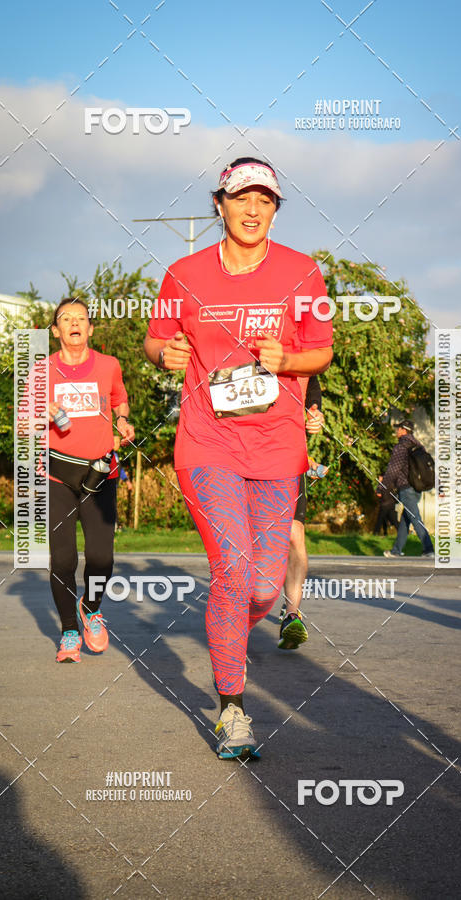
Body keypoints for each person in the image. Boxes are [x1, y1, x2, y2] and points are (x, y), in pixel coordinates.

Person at [144, 157, 333, 759]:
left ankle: (227, 632)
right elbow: (155, 337)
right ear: (219, 205)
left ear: (275, 209)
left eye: (265, 200)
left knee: (260, 588)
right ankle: (232, 707)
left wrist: (287, 361)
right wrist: (164, 354)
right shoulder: (184, 272)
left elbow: (321, 353)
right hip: (208, 443)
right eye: (240, 198)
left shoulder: (304, 275)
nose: (252, 210)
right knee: (231, 566)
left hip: (278, 445)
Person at [36, 298, 135, 662]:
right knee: (62, 560)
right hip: (57, 477)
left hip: (100, 475)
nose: (74, 323)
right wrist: (42, 413)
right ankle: (69, 633)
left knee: (100, 558)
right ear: (56, 330)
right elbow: (25, 422)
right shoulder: (41, 371)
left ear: (90, 329)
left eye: (81, 318)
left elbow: (120, 401)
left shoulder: (109, 366)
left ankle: (91, 607)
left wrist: (123, 422)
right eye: (66, 318)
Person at [278, 375, 325, 650]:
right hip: (245, 456)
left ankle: (292, 615)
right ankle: (239, 616)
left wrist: (314, 411)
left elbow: (312, 386)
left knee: (295, 536)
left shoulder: (303, 352)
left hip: (290, 456)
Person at [382, 419, 434, 558]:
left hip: (406, 488)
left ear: (404, 430)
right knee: (406, 519)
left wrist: (382, 487)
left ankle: (429, 549)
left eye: (398, 428)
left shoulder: (401, 447)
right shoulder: (418, 445)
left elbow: (393, 470)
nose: (397, 431)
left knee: (415, 518)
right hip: (417, 488)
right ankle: (396, 550)